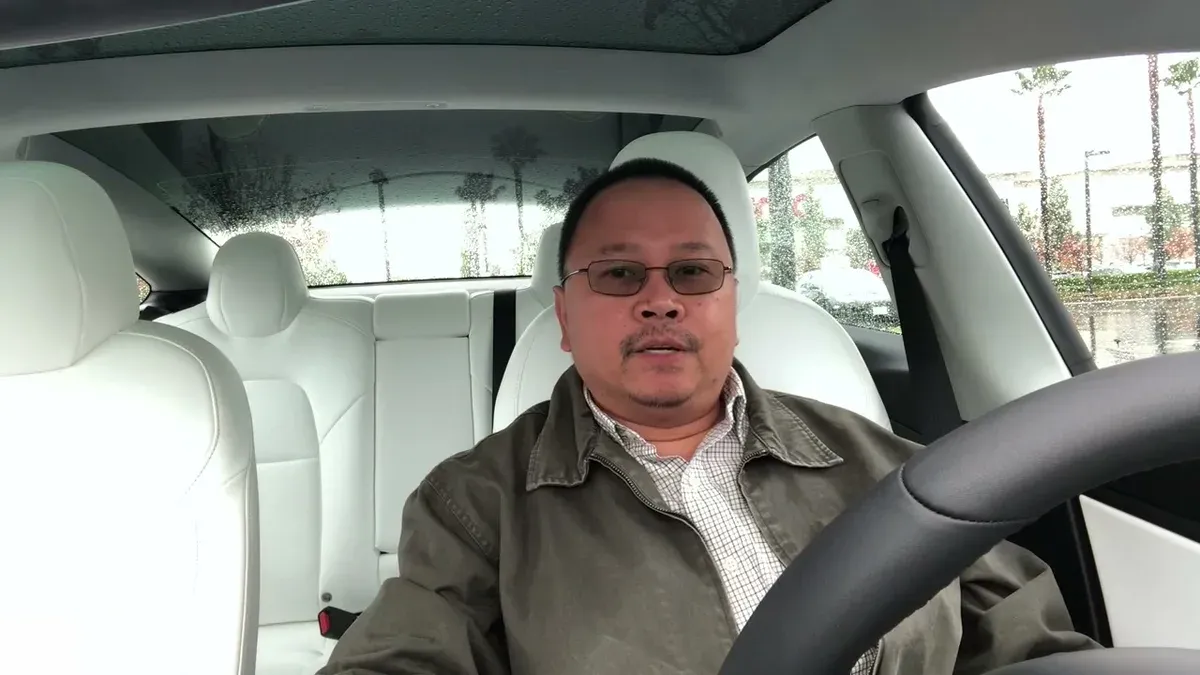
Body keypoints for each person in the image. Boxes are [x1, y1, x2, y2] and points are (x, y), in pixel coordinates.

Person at [318, 158, 1100, 675]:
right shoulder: (477, 505)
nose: (660, 297)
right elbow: (406, 655)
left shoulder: (888, 463)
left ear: (729, 303)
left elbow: (1029, 641)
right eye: (619, 272)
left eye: (692, 271)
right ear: (564, 314)